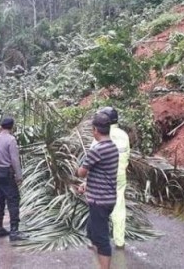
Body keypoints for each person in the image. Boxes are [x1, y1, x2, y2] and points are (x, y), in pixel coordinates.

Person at [76, 112, 119, 269]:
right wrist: (87, 185)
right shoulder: (112, 147)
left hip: (99, 201)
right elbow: (103, 172)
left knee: (101, 239)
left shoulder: (97, 150)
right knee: (92, 231)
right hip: (108, 198)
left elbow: (81, 172)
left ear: (95, 130)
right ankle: (100, 262)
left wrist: (80, 167)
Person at [97, 107, 130, 249]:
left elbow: (94, 158)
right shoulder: (124, 135)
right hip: (120, 176)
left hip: (104, 177)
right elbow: (127, 155)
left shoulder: (102, 135)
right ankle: (119, 241)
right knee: (119, 207)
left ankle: (100, 240)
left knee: (100, 209)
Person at [0, 117, 27, 241]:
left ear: (1, 126)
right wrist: (19, 176)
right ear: (12, 127)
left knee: (0, 198)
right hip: (6, 171)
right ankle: (14, 231)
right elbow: (14, 159)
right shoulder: (11, 140)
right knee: (13, 199)